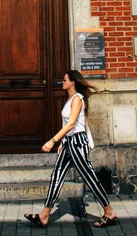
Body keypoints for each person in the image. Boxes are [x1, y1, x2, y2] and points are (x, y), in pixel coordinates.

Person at [24, 69, 117, 229]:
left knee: (89, 177)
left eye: (65, 79)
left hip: (77, 143)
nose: (62, 82)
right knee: (57, 177)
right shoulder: (70, 99)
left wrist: (53, 141)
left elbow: (71, 124)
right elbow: (67, 124)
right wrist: (62, 142)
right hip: (69, 142)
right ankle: (44, 216)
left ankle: (109, 212)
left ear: (72, 82)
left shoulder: (77, 99)